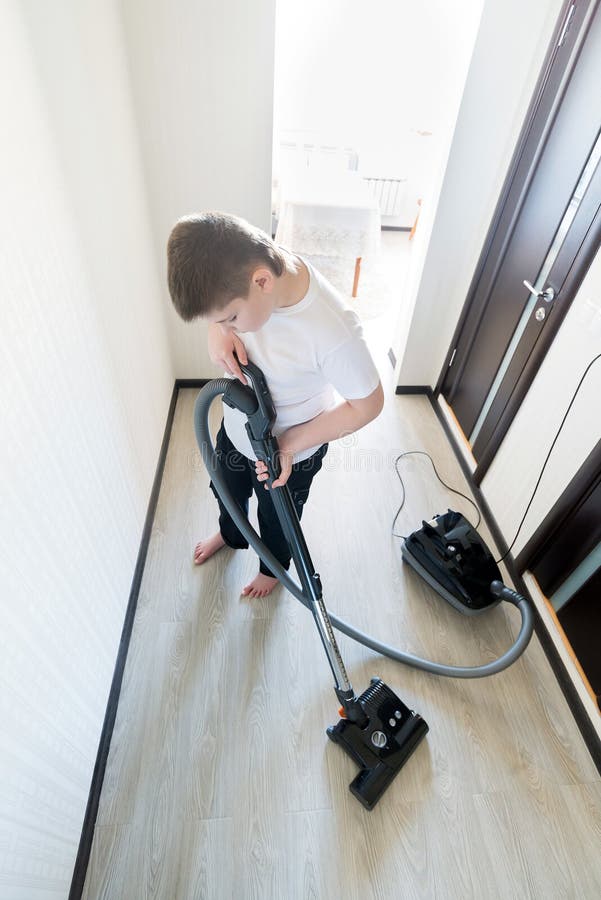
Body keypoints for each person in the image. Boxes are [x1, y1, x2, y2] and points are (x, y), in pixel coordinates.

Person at [167, 212, 384, 598]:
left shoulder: (333, 331)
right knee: (226, 491)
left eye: (230, 318)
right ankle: (232, 534)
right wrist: (217, 331)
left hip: (288, 456)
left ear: (262, 282)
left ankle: (273, 568)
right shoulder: (243, 267)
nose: (228, 327)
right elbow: (221, 313)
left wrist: (289, 445)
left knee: (278, 519)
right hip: (237, 429)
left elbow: (368, 405)